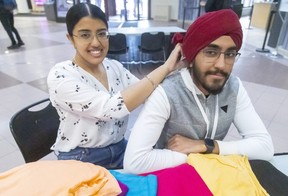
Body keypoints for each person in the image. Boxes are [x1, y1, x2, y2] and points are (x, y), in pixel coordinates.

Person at [124, 9, 274, 174]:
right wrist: (196, 156)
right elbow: (135, 162)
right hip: (173, 175)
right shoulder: (167, 93)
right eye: (211, 52)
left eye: (230, 54)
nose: (222, 65)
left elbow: (265, 147)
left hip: (213, 176)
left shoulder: (234, 87)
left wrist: (207, 146)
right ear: (191, 57)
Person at [47, 3, 184, 169]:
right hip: (81, 157)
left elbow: (145, 91)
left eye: (102, 34)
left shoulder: (113, 67)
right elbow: (111, 108)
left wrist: (178, 70)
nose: (96, 43)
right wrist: (166, 67)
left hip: (119, 149)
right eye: (85, 35)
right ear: (71, 38)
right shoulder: (61, 76)